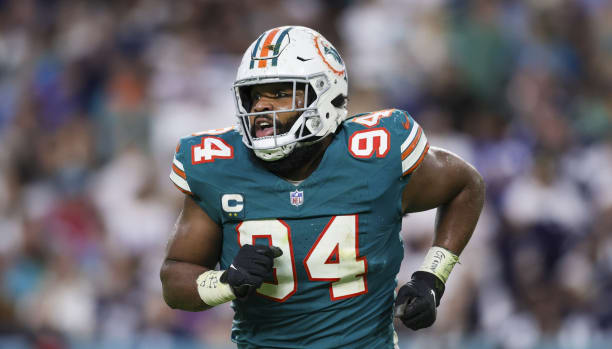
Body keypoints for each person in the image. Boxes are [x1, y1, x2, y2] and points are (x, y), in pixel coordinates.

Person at [160, 26, 484, 349]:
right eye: (255, 94)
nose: (260, 106)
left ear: (324, 95)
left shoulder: (374, 155)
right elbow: (174, 280)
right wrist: (225, 281)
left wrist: (431, 278)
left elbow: (466, 185)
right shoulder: (220, 166)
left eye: (280, 92)